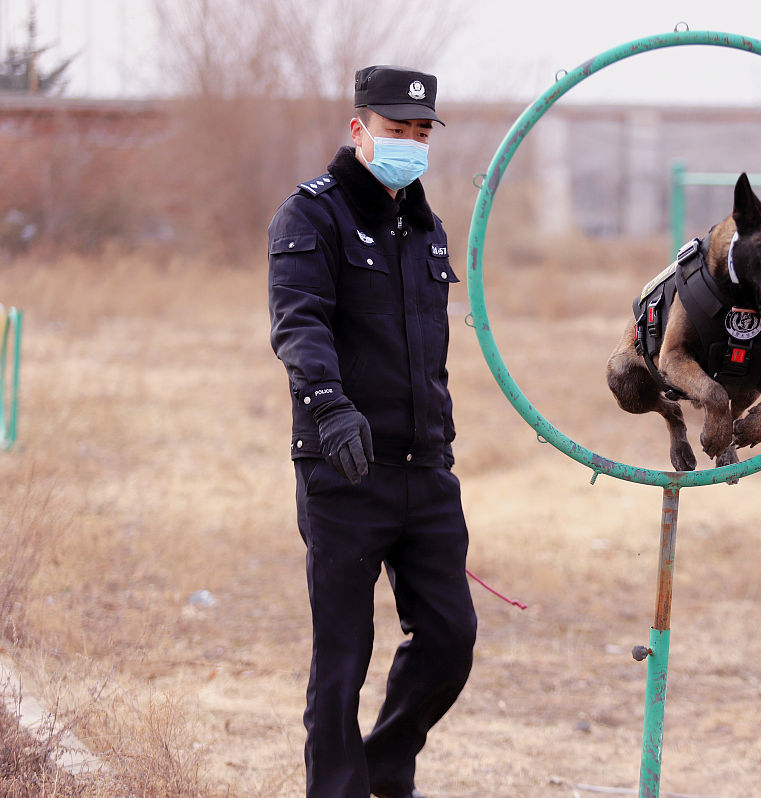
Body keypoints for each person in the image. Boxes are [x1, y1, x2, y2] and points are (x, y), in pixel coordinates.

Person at [267, 65, 476, 798]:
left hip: (426, 471)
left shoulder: (426, 227)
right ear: (358, 130)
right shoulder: (309, 216)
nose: (411, 144)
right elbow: (299, 322)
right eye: (397, 130)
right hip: (343, 469)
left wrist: (442, 440)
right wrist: (328, 405)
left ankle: (385, 767)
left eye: (422, 132)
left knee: (451, 641)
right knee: (342, 660)